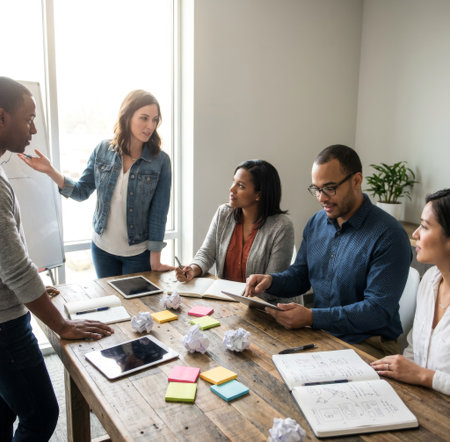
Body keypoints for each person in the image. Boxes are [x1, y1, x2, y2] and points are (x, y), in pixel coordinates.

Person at [0, 77, 113, 441]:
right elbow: (13, 267)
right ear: (2, 118)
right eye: (28, 119)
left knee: (4, 412)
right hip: (5, 327)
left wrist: (31, 285)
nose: (34, 129)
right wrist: (62, 325)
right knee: (42, 414)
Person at [245, 145, 412, 357]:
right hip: (321, 334)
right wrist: (271, 280)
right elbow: (301, 276)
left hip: (369, 344)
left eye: (330, 188)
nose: (321, 198)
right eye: (316, 189)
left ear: (356, 181)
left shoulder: (388, 235)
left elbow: (377, 311)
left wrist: (312, 317)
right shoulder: (316, 223)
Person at [20, 89, 173, 278]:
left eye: (155, 119)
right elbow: (81, 191)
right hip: (102, 250)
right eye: (144, 118)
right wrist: (50, 170)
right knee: (110, 305)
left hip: (138, 254)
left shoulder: (161, 161)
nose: (150, 125)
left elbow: (159, 212)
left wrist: (155, 258)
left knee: (135, 306)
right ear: (127, 116)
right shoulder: (102, 150)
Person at [176, 159, 295, 302]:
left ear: (259, 194)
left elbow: (272, 284)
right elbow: (207, 253)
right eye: (233, 182)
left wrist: (239, 299)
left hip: (264, 308)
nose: (232, 189)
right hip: (228, 302)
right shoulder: (223, 213)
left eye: (241, 186)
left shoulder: (282, 226)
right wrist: (193, 269)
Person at [372, 189, 450, 395]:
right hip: (423, 400)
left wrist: (424, 376)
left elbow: (419, 372)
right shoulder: (430, 280)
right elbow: (414, 351)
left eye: (424, 227)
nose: (415, 234)